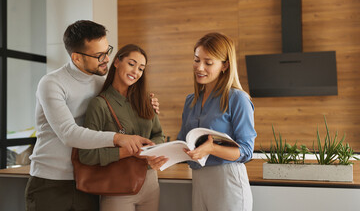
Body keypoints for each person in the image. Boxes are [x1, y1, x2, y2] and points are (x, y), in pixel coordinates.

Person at [25, 20, 159, 211]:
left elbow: (126, 103)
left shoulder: (100, 82)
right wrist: (119, 139)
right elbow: (68, 134)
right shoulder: (52, 84)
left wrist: (149, 103)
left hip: (89, 178)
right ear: (77, 58)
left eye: (107, 51)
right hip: (50, 182)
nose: (106, 59)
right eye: (99, 55)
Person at [148, 32, 257, 211]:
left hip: (228, 182)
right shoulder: (191, 100)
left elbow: (246, 151)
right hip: (199, 180)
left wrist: (212, 148)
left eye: (208, 62)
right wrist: (161, 157)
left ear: (225, 65)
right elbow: (183, 144)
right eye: (197, 60)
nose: (199, 67)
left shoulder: (238, 98)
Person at [78, 44, 164, 211]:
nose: (135, 72)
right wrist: (129, 151)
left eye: (141, 68)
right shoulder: (99, 104)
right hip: (117, 188)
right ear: (117, 62)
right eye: (131, 64)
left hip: (150, 183)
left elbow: (158, 134)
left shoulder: (146, 100)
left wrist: (151, 150)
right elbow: (86, 155)